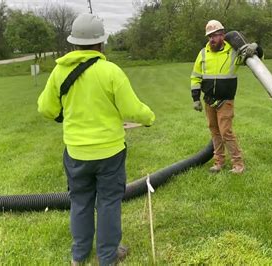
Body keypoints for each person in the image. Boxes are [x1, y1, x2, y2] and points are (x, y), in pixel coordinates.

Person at [37, 13, 155, 266]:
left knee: (80, 202)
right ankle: (108, 256)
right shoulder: (110, 71)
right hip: (110, 153)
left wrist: (64, 117)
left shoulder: (59, 71)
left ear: (74, 43)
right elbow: (132, 109)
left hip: (76, 153)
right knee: (109, 203)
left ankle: (79, 256)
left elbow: (45, 109)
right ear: (101, 43)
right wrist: (149, 118)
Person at [190, 20, 262, 174]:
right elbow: (195, 76)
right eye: (209, 37)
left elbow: (254, 58)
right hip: (209, 101)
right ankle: (219, 162)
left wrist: (256, 48)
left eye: (214, 36)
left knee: (226, 132)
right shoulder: (203, 53)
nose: (211, 40)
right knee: (214, 132)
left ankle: (238, 164)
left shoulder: (233, 51)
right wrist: (195, 98)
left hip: (225, 101)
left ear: (222, 35)